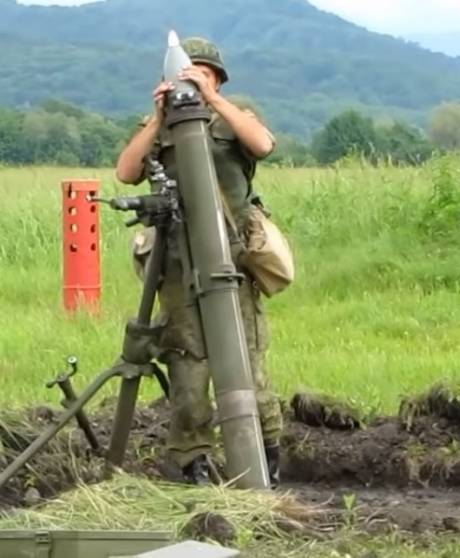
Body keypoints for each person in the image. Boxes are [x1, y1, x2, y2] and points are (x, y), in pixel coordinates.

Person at [115, 37, 282, 485]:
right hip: (177, 264)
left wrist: (211, 102)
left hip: (235, 259)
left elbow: (263, 145)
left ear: (219, 79)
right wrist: (157, 119)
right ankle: (195, 461)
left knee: (246, 358)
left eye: (202, 73)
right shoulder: (159, 127)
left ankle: (267, 452)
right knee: (188, 363)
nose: (189, 80)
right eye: (185, 74)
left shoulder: (234, 118)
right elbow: (127, 171)